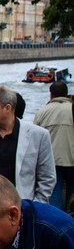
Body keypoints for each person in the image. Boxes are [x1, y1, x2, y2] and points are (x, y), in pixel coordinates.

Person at [0, 85, 56, 202]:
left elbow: (47, 177)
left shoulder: (39, 135)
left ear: (7, 108)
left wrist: (35, 205)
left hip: (24, 207)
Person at [33, 81, 74, 211]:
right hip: (71, 159)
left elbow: (34, 139)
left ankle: (56, 220)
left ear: (51, 95)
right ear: (66, 94)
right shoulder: (71, 109)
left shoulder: (42, 111)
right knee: (72, 194)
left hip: (51, 161)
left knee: (53, 194)